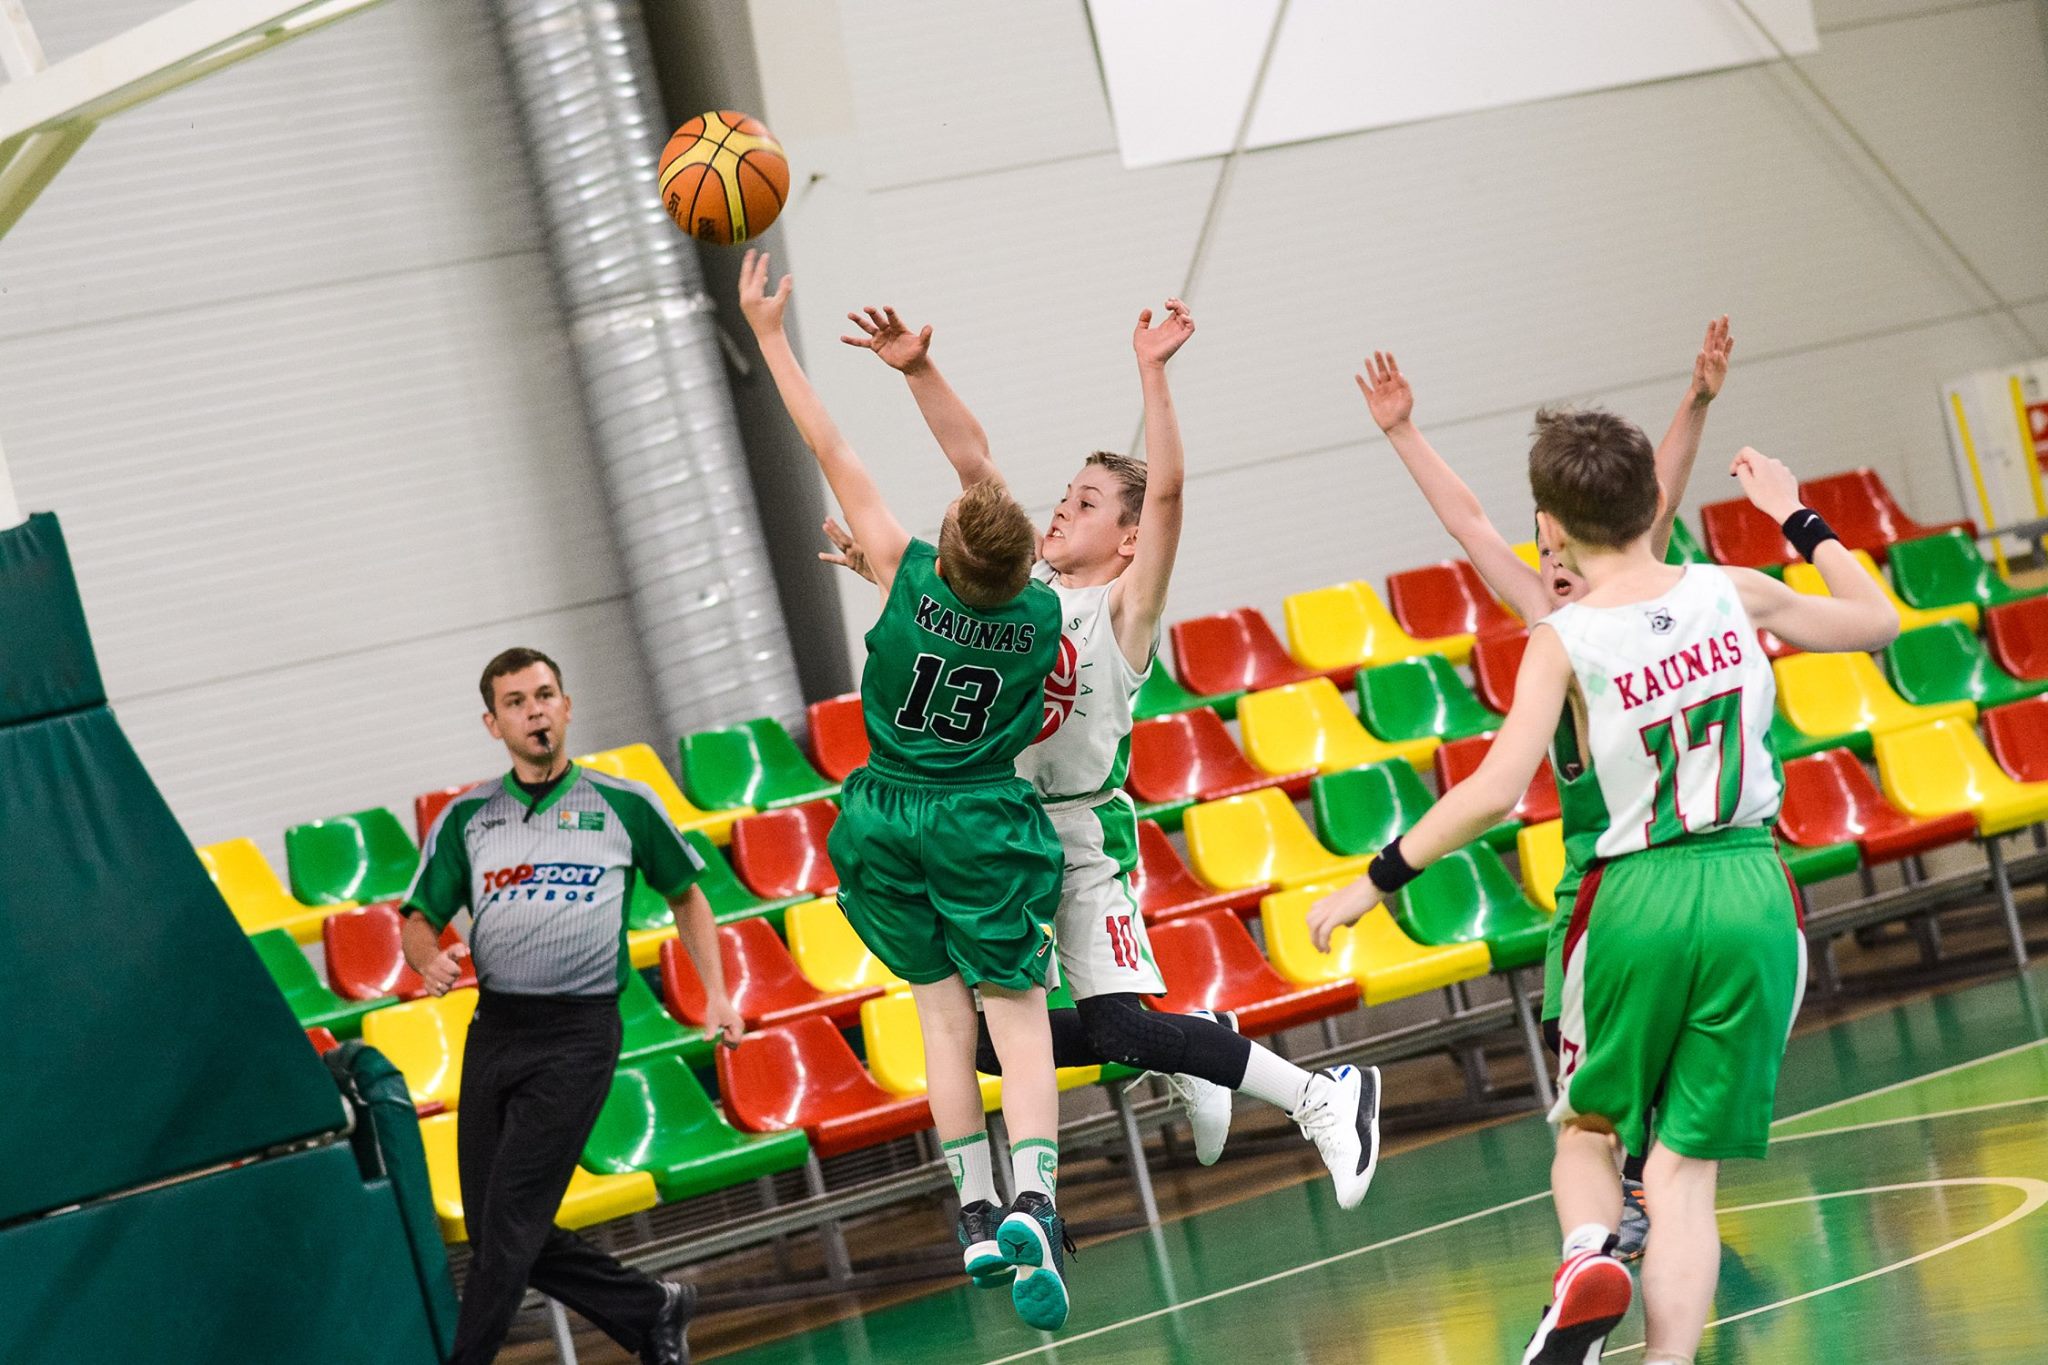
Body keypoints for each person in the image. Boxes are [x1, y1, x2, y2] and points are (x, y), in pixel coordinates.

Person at [1305, 436, 1897, 1364]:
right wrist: (1793, 512)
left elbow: (1497, 790)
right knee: (1683, 1177)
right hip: (1755, 884)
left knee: (1588, 1127)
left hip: (1633, 891)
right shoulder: (1731, 590)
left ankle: (1588, 1255)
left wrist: (1375, 880)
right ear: (1650, 502)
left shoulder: (1565, 637)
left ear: (1552, 525)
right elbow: (1879, 621)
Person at [826, 300, 1382, 1207]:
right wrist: (918, 372)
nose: (1062, 506)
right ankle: (1198, 1043)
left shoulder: (1124, 610)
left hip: (1082, 835)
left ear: (1127, 539)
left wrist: (1152, 372)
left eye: (1087, 503)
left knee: (1119, 1027)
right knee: (980, 1045)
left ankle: (1324, 1093)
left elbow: (1167, 495)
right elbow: (973, 465)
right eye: (1065, 494)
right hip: (994, 831)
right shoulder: (1021, 590)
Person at [736, 250, 1075, 1331]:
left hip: (885, 814)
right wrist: (922, 371)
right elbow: (980, 468)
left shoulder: (904, 568)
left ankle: (972, 1211)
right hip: (979, 815)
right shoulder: (1039, 613)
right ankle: (1036, 1199)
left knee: (939, 1017)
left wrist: (769, 336)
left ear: (949, 543)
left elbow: (828, 444)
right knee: (1016, 1018)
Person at [1355, 317, 1732, 1259]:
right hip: (1605, 876)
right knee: (1596, 1059)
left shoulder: (1623, 598)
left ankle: (1629, 1196)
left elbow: (1663, 488)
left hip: (1634, 874)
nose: (1553, 562)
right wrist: (1403, 433)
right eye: (1543, 550)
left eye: (1562, 547)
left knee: (1621, 1074)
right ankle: (1634, 1189)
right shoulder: (1543, 611)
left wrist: (1695, 402)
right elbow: (1468, 520)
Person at [401, 646, 743, 1365]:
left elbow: (687, 896)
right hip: (496, 1030)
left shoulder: (625, 803)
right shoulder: (468, 817)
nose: (535, 711)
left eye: (544, 695)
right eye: (516, 702)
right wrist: (427, 958)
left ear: (566, 706)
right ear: (493, 723)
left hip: (578, 1034)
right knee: (498, 1229)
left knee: (510, 1224)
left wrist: (716, 993)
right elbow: (417, 918)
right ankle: (650, 1308)